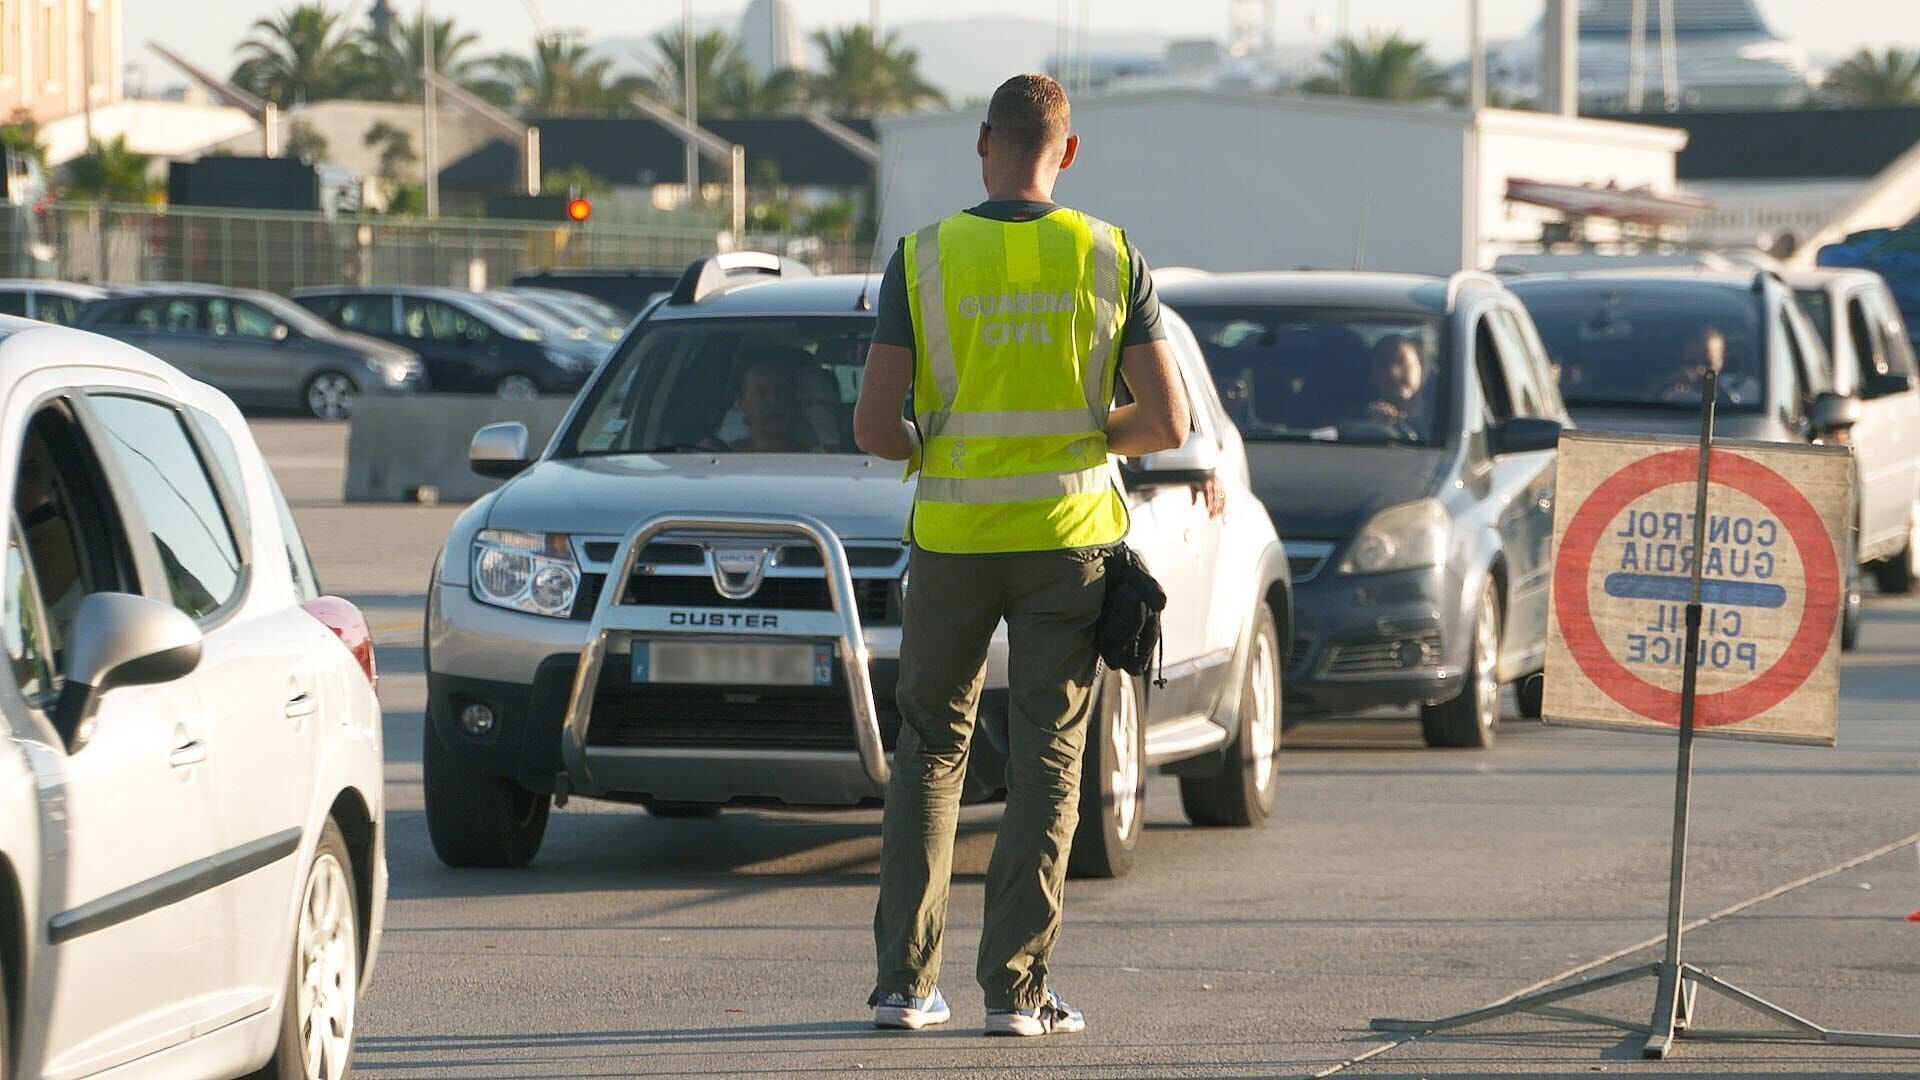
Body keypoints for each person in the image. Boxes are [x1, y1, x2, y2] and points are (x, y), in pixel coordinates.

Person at [853, 73, 1188, 1038]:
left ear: (981, 143)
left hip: (954, 542)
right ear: (1068, 152)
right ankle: (1016, 991)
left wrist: (944, 446)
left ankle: (904, 988)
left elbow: (877, 430)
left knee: (930, 750)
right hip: (1067, 547)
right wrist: (1081, 439)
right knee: (1049, 755)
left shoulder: (921, 258)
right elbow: (1168, 420)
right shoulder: (1109, 254)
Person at [1362, 334, 1427, 429]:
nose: (1393, 373)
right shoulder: (1355, 418)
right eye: (1383, 365)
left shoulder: (1447, 410)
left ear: (1421, 365)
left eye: (1401, 361)